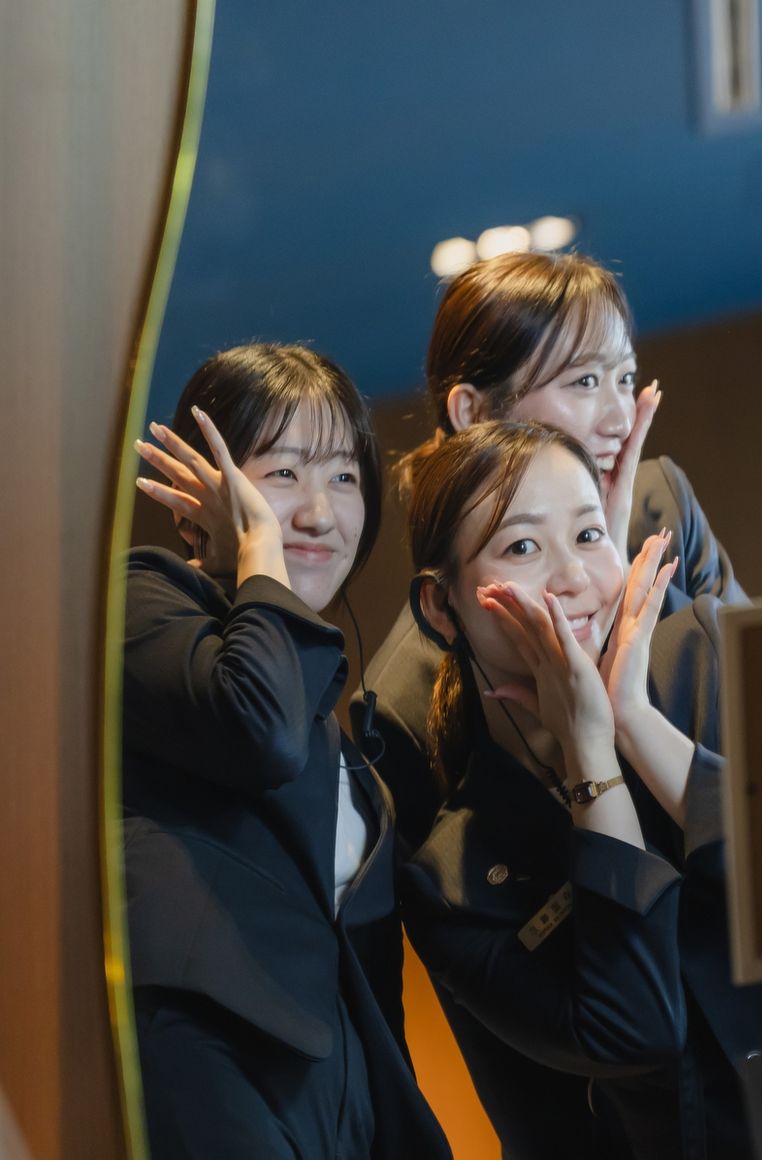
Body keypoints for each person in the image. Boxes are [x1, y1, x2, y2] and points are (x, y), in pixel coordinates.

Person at [398, 420, 762, 1160]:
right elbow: (635, 1032)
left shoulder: (703, 652)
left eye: (588, 535)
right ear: (440, 607)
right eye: (522, 548)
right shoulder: (451, 880)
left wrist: (634, 723)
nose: (573, 577)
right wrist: (589, 751)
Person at [122, 344, 450, 1159]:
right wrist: (256, 553)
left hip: (338, 1101)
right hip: (208, 1057)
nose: (318, 512)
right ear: (198, 498)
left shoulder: (336, 734)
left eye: (343, 476)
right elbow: (258, 732)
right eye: (282, 475)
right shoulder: (144, 598)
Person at [355, 250, 745, 850]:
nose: (620, 417)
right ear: (473, 412)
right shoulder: (402, 695)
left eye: (625, 378)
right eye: (584, 381)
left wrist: (610, 570)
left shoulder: (662, 505)